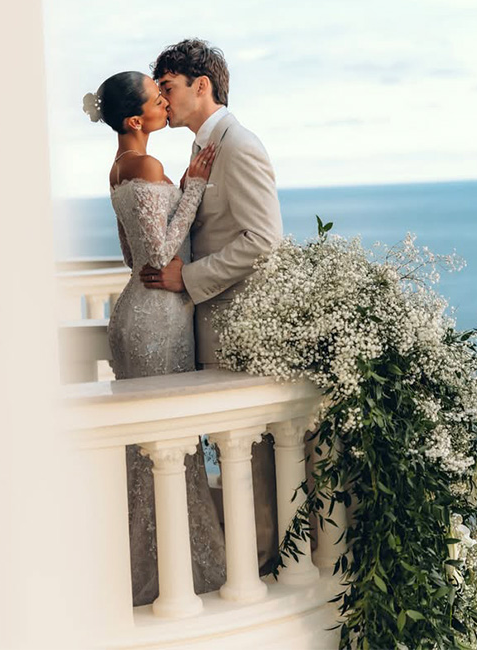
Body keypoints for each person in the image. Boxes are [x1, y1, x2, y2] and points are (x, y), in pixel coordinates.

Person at [139, 38, 284, 573]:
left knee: (253, 455)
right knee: (233, 452)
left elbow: (263, 238)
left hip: (238, 327)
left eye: (168, 87)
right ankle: (250, 558)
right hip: (212, 326)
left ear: (202, 86)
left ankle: (263, 563)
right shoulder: (204, 149)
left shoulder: (240, 145)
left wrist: (188, 278)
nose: (163, 98)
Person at [83, 70, 226, 605]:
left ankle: (147, 568)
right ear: (136, 120)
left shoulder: (117, 169)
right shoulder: (146, 164)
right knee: (169, 443)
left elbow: (129, 255)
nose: (166, 100)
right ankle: (172, 575)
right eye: (156, 94)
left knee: (147, 451)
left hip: (137, 313)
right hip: (157, 319)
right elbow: (160, 253)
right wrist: (191, 187)